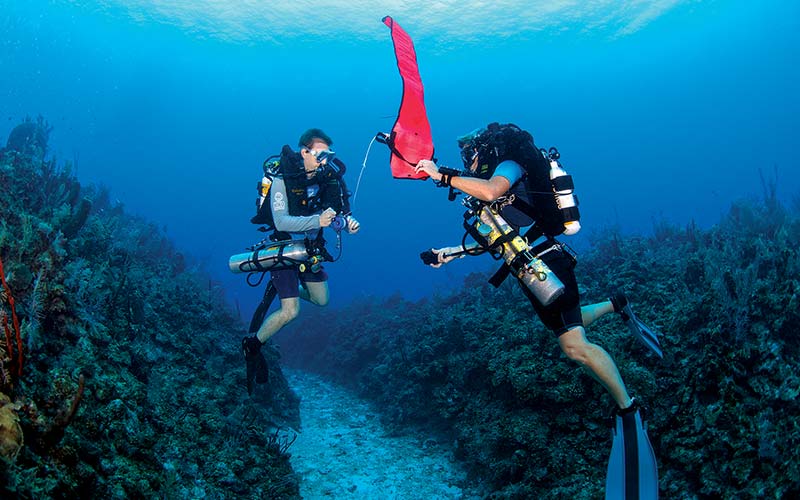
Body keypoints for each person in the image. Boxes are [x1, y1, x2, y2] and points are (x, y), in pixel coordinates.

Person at [414, 123, 661, 412]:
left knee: (574, 347)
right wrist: (449, 253)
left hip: (547, 261)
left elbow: (493, 191)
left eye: (468, 154)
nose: (467, 163)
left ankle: (629, 408)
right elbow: (501, 239)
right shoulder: (495, 189)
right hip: (530, 268)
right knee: (568, 326)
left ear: (481, 149)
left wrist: (443, 175)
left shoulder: (508, 165)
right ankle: (617, 303)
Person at [242, 128, 360, 394]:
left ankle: (286, 288)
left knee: (321, 300)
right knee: (290, 312)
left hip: (310, 248)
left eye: (328, 155)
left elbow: (339, 213)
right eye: (320, 154)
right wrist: (317, 221)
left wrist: (348, 223)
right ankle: (253, 344)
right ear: (303, 150)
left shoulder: (330, 177)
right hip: (283, 247)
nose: (324, 160)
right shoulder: (283, 177)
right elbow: (282, 220)